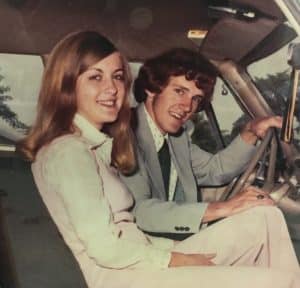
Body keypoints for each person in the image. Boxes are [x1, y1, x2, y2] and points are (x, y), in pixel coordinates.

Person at [18, 31, 300, 288]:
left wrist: (250, 133)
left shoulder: (95, 145)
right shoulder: (80, 148)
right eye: (95, 77)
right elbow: (121, 232)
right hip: (124, 275)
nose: (112, 89)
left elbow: (214, 170)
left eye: (117, 77)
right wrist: (181, 255)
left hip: (142, 256)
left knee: (264, 215)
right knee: (279, 282)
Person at [120, 48, 284, 237]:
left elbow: (215, 170)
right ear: (151, 88)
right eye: (179, 91)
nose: (188, 107)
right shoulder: (126, 134)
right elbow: (139, 212)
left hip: (177, 239)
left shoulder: (175, 138)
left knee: (263, 222)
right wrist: (223, 208)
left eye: (196, 98)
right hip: (146, 248)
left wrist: (250, 132)